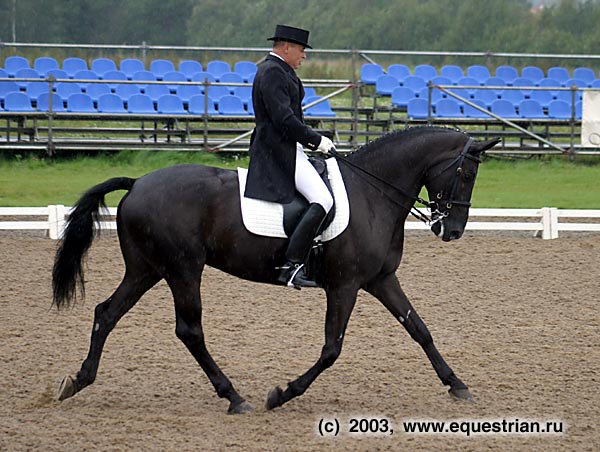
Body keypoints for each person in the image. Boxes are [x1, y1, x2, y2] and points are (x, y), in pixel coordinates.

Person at [244, 24, 335, 288]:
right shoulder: (272, 72)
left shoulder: (279, 70)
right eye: (301, 49)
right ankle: (291, 265)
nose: (304, 55)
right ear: (286, 47)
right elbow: (283, 119)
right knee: (323, 199)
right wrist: (315, 140)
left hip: (286, 147)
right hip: (278, 152)